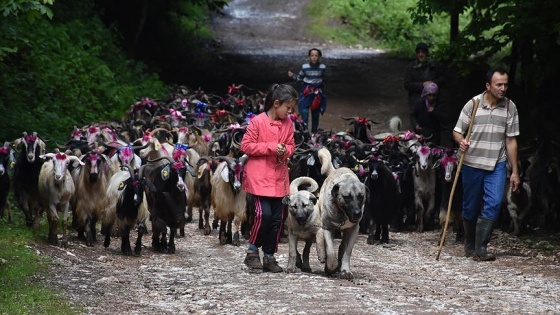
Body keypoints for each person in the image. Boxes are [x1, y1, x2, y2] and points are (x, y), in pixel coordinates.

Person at [452, 68, 520, 261]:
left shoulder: (509, 107)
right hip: (471, 162)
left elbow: (511, 141)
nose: (503, 88)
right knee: (470, 206)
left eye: (506, 84)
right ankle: (470, 245)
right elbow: (457, 131)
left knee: (495, 202)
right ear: (488, 86)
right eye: (499, 84)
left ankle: (481, 248)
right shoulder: (473, 104)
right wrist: (461, 141)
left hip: (496, 163)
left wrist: (515, 171)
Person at [241, 83, 297, 272]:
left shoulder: (288, 124)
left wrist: (285, 150)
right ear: (276, 103)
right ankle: (252, 251)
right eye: (287, 108)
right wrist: (272, 147)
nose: (289, 112)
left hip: (279, 178)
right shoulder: (257, 122)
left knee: (276, 219)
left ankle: (270, 256)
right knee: (262, 214)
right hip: (259, 177)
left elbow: (291, 146)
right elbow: (246, 146)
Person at [288, 48, 326, 133]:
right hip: (306, 92)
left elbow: (323, 78)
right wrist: (293, 76)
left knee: (315, 114)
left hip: (317, 93)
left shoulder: (322, 67)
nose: (314, 57)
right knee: (304, 112)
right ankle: (305, 133)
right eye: (312, 55)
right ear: (309, 56)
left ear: (319, 57)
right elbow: (299, 78)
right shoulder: (305, 67)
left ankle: (314, 134)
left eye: (316, 55)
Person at [404, 42, 445, 112]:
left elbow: (443, 78)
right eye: (418, 52)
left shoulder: (435, 65)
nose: (420, 54)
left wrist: (432, 84)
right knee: (416, 121)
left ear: (427, 53)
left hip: (433, 101)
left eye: (423, 52)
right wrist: (423, 85)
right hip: (416, 100)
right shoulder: (410, 67)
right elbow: (407, 84)